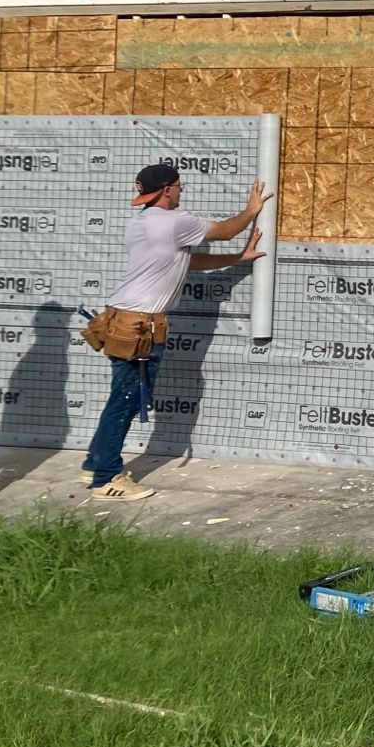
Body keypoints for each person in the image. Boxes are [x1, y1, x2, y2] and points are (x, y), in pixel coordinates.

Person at [80, 163, 270, 500]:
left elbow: (187, 261)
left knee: (118, 397)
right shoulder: (174, 222)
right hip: (139, 327)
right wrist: (251, 210)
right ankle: (106, 479)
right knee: (125, 401)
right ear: (168, 189)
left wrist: (238, 257)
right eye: (179, 186)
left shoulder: (142, 223)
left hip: (121, 319)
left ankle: (96, 461)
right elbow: (226, 230)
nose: (182, 191)